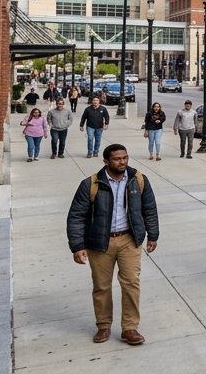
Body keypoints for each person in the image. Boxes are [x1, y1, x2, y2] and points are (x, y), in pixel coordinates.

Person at [66, 144, 159, 346]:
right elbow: (76, 216)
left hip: (129, 239)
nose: (122, 162)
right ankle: (103, 326)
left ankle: (130, 328)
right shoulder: (90, 184)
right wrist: (77, 246)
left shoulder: (138, 180)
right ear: (106, 161)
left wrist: (153, 235)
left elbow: (149, 209)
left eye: (125, 157)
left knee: (131, 283)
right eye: (117, 159)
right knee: (101, 286)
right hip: (100, 242)